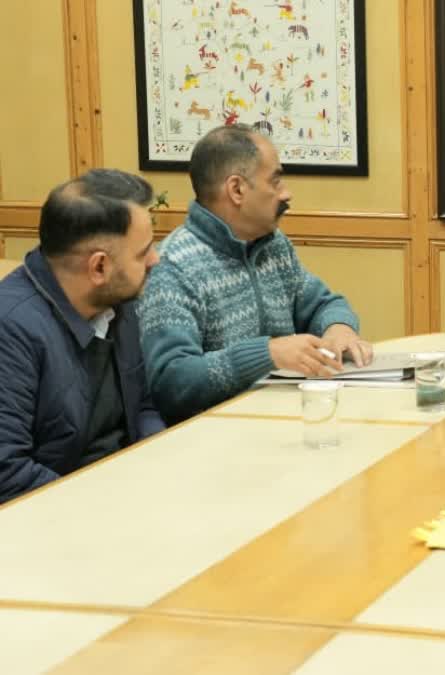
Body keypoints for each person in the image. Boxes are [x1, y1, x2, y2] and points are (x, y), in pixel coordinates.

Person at [139, 125, 372, 423]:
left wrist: (339, 328)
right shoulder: (173, 268)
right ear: (237, 189)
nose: (287, 193)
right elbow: (172, 382)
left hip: (286, 421)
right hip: (214, 442)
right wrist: (266, 355)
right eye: (276, 180)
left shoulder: (272, 245)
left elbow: (323, 303)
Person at [0, 169, 165, 503]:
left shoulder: (117, 302)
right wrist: (104, 505)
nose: (155, 260)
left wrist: (161, 463)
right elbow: (8, 472)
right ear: (99, 268)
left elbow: (143, 407)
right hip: (54, 517)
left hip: (123, 496)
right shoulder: (11, 329)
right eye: (142, 252)